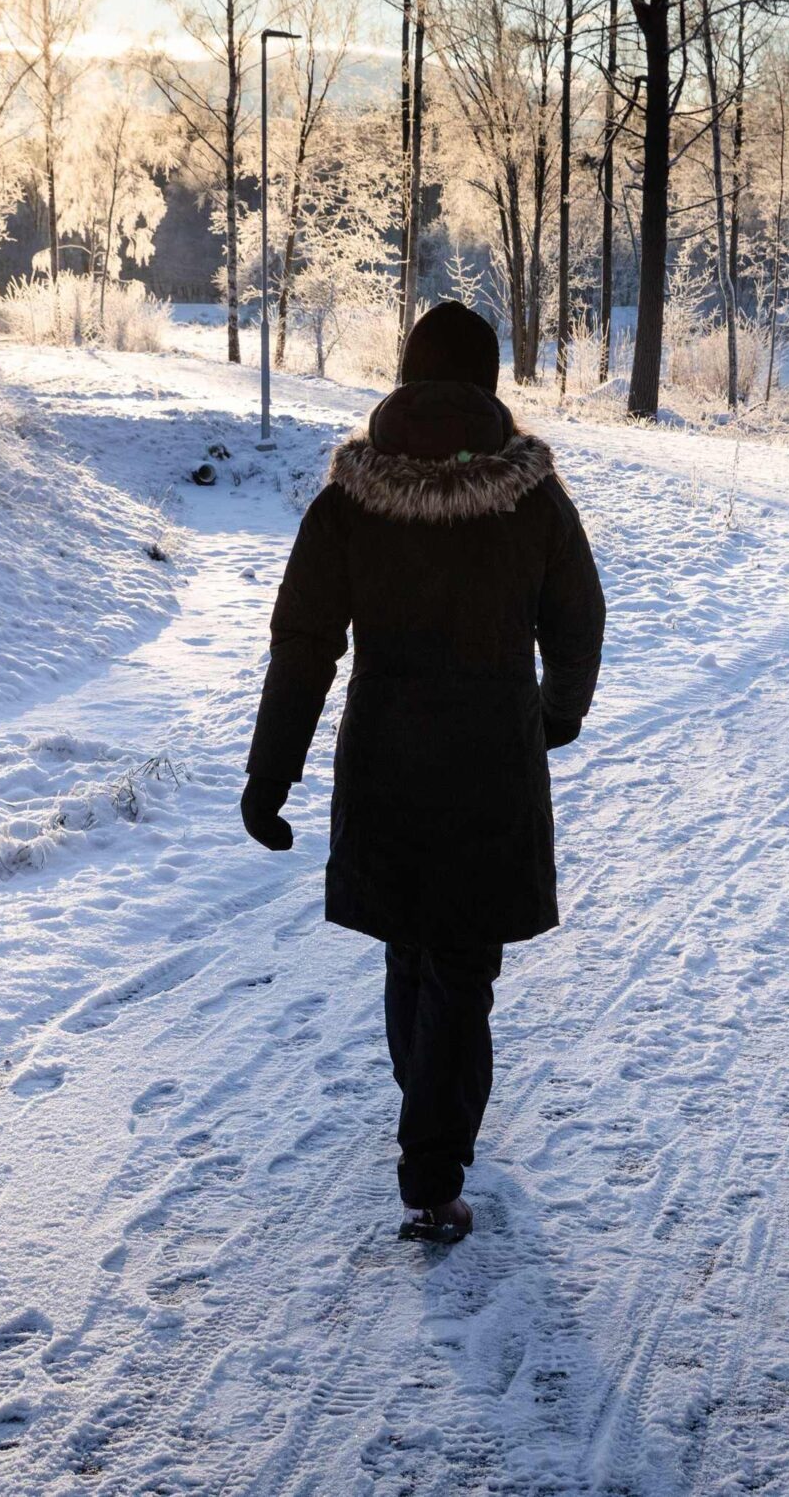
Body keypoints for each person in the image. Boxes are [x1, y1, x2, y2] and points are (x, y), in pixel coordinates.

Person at [240, 301, 606, 1245]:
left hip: (386, 768)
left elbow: (303, 642)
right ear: (488, 384)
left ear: (405, 378)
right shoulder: (532, 499)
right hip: (491, 770)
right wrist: (558, 713)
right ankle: (433, 1178)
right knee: (460, 966)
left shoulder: (351, 499)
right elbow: (578, 621)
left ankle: (427, 1115)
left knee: (412, 948)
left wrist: (270, 777)